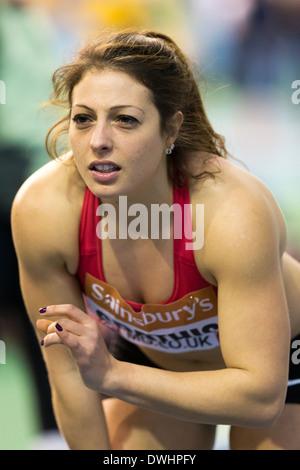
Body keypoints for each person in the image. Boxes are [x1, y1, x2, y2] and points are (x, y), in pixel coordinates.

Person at [11, 29, 300, 450]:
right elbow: (69, 374)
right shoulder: (43, 210)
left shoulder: (230, 213)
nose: (99, 141)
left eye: (125, 119)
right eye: (83, 118)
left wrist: (111, 375)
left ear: (170, 131)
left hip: (278, 367)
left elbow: (259, 398)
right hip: (159, 367)